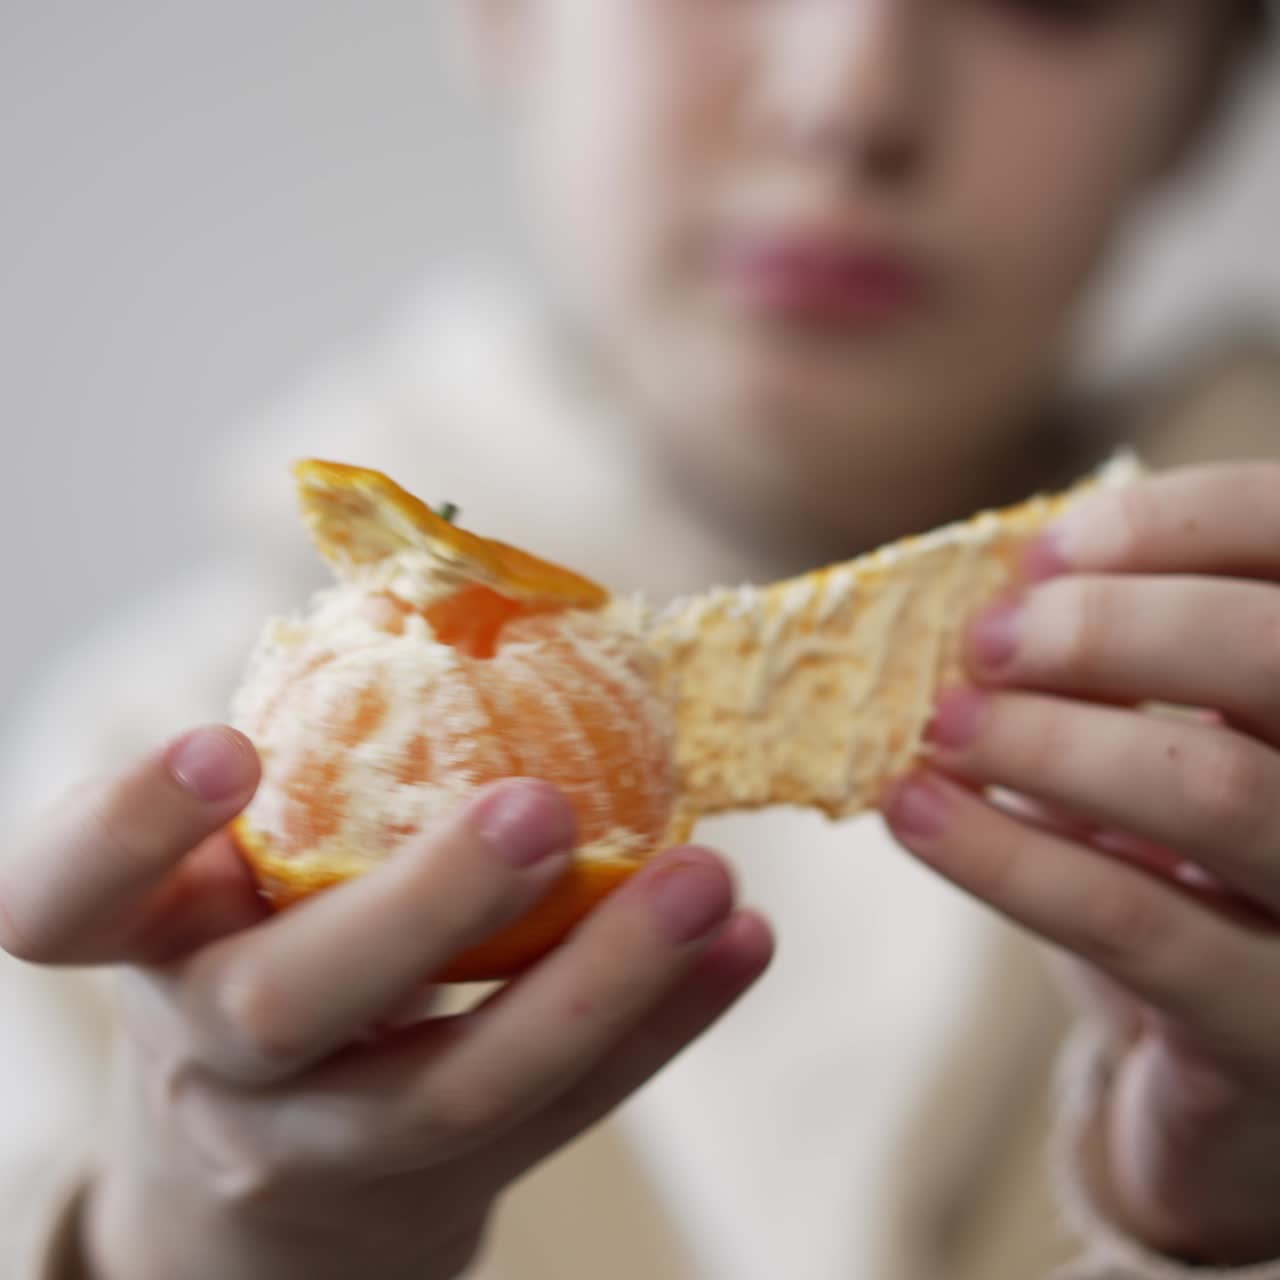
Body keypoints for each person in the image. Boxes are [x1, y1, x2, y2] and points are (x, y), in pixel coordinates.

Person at [3, 2, 1280, 1277]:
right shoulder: (161, 784)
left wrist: (1221, 1227)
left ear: (1206, 86)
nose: (847, 104)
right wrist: (167, 1247)